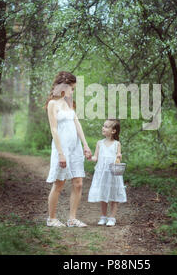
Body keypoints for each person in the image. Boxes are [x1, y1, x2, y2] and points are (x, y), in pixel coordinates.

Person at [44, 71, 92, 227]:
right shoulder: (53, 104)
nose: (73, 91)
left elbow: (77, 123)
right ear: (64, 86)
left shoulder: (69, 102)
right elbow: (54, 129)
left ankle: (72, 219)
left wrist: (85, 145)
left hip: (75, 148)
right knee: (59, 183)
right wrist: (61, 153)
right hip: (62, 148)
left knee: (78, 182)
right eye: (72, 88)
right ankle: (51, 219)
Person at [88, 119, 127, 227]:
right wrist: (90, 157)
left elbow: (118, 155)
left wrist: (119, 156)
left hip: (113, 173)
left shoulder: (116, 144)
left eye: (106, 126)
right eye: (103, 126)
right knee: (103, 193)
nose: (103, 128)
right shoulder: (99, 143)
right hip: (102, 173)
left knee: (114, 194)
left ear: (113, 131)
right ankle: (103, 217)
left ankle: (112, 217)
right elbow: (96, 157)